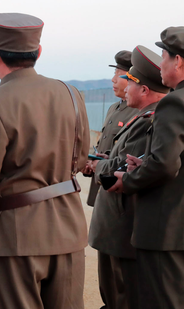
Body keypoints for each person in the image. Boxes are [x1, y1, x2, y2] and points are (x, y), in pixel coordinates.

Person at [0, 13, 90, 309]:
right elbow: (79, 159)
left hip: (16, 235)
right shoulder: (71, 94)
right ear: (38, 52)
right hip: (68, 228)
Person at [87, 45, 169, 309]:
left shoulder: (148, 121)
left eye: (129, 81)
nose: (123, 86)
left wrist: (97, 166)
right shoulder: (141, 116)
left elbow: (118, 169)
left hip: (122, 229)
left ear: (144, 89)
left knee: (122, 297)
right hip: (116, 227)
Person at [108, 26, 184, 308]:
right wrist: (148, 163)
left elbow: (165, 165)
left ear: (178, 61)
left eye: (164, 56)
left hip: (168, 228)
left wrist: (129, 179)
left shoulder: (175, 103)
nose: (161, 63)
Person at [84, 50, 138, 207]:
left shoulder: (138, 112)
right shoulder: (114, 108)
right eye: (114, 73)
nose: (113, 80)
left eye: (119, 74)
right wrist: (91, 164)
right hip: (101, 185)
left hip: (118, 190)